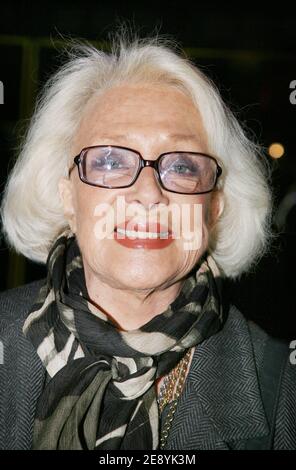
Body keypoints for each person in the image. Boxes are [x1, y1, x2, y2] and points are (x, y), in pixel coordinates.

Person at [0, 34, 295, 451]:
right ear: (67, 196)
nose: (148, 195)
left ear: (214, 208)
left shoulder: (284, 390)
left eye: (180, 166)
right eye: (110, 160)